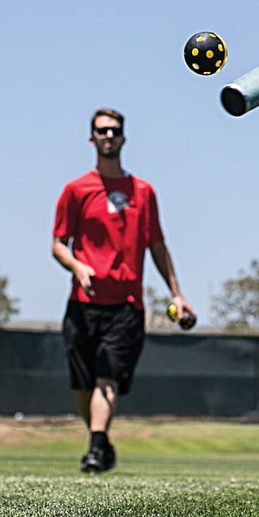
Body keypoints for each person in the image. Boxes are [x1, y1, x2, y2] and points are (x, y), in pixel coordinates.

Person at [51, 108, 195, 473]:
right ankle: (100, 441)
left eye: (114, 130)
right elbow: (57, 243)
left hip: (127, 306)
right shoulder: (76, 190)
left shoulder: (143, 192)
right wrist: (77, 265)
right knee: (83, 386)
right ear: (91, 138)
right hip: (82, 304)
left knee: (106, 377)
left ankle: (96, 449)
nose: (108, 136)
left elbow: (158, 246)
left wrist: (176, 294)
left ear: (124, 138)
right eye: (101, 131)